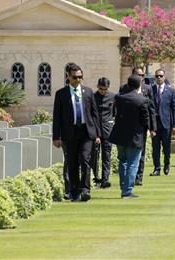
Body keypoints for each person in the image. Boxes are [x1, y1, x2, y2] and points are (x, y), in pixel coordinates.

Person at [52, 64, 100, 202]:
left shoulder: (88, 92)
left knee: (85, 160)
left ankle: (85, 189)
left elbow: (94, 114)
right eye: (75, 77)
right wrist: (56, 137)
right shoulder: (61, 94)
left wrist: (97, 134)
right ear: (68, 77)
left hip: (86, 132)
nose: (78, 80)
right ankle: (74, 191)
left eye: (80, 77)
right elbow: (57, 116)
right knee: (72, 164)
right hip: (70, 133)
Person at [108, 75, 153, 199]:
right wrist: (147, 129)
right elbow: (145, 119)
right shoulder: (142, 100)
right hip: (135, 135)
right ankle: (127, 191)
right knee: (133, 163)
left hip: (120, 134)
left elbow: (114, 114)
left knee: (123, 161)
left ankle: (124, 187)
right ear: (139, 85)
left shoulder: (118, 97)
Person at [119, 66, 157, 186]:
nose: (139, 77)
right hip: (126, 127)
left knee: (140, 152)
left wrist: (152, 128)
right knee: (125, 155)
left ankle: (138, 177)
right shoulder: (124, 88)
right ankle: (127, 179)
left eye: (141, 75)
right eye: (137, 75)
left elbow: (151, 109)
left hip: (141, 126)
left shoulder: (147, 88)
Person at [150, 68, 175, 176]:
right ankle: (157, 168)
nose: (159, 78)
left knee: (166, 147)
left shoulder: (170, 90)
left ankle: (167, 164)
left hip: (166, 123)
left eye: (161, 76)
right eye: (157, 76)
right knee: (155, 147)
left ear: (164, 77)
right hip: (154, 124)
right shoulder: (151, 89)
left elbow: (174, 108)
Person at [91, 77, 115, 189]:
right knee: (94, 156)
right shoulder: (93, 97)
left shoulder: (112, 97)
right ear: (97, 86)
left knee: (107, 156)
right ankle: (95, 178)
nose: (103, 91)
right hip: (95, 130)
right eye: (101, 89)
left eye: (105, 89)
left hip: (107, 130)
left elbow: (114, 113)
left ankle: (105, 179)